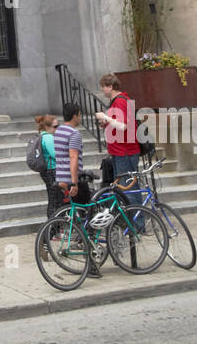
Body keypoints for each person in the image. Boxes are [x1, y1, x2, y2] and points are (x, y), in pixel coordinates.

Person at [53, 101, 100, 276]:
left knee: (80, 216)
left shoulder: (58, 132)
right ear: (75, 116)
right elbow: (73, 157)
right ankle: (91, 261)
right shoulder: (74, 134)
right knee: (91, 216)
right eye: (79, 115)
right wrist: (74, 182)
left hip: (61, 178)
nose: (80, 118)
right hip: (73, 180)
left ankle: (80, 239)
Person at [95, 73, 141, 206]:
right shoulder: (118, 101)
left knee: (129, 190)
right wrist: (106, 122)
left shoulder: (120, 101)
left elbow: (123, 125)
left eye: (103, 87)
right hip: (121, 152)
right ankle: (131, 222)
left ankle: (137, 225)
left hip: (125, 152)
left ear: (110, 86)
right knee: (124, 189)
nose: (102, 90)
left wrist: (105, 117)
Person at [34, 112, 59, 218]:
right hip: (51, 170)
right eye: (55, 126)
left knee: (53, 197)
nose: (57, 129)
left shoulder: (42, 136)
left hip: (46, 170)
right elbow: (55, 155)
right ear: (48, 126)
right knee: (55, 199)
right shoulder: (48, 137)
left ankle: (52, 226)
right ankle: (52, 228)